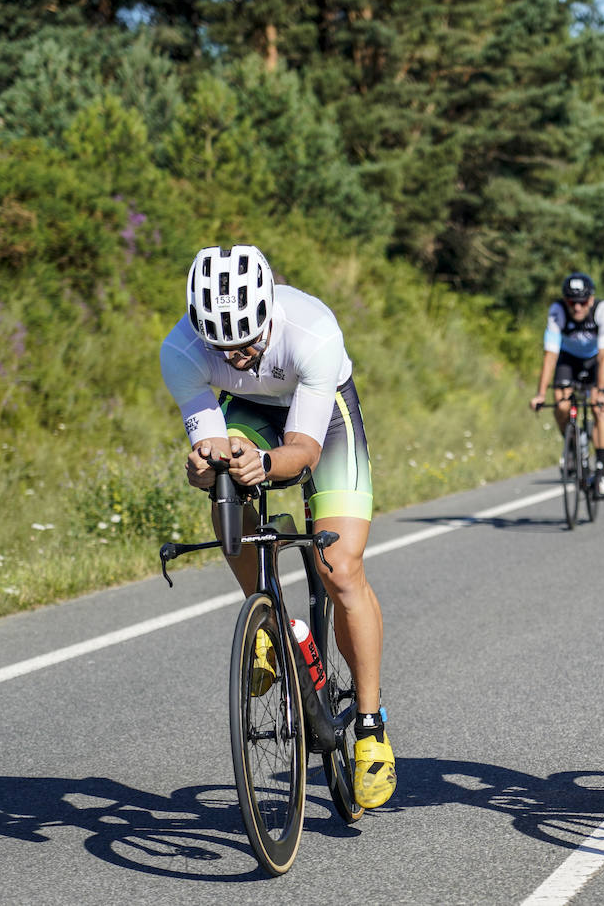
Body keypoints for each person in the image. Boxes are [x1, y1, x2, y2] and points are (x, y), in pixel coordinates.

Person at [160, 245, 395, 810]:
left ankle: (369, 727)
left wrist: (264, 465)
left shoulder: (312, 330)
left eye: (249, 341)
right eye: (224, 347)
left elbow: (305, 450)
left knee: (340, 568)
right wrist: (206, 465)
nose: (238, 355)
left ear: (267, 311)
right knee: (223, 484)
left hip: (323, 419)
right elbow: (210, 442)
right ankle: (268, 619)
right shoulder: (180, 351)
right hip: (251, 411)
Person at [528, 272, 604, 495]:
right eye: (571, 302)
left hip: (595, 360)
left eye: (582, 302)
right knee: (562, 406)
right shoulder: (557, 311)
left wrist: (603, 392)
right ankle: (571, 447)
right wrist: (540, 394)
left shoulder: (603, 310)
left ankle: (600, 468)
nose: (577, 308)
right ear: (565, 301)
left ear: (591, 299)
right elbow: (550, 356)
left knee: (598, 407)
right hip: (568, 359)